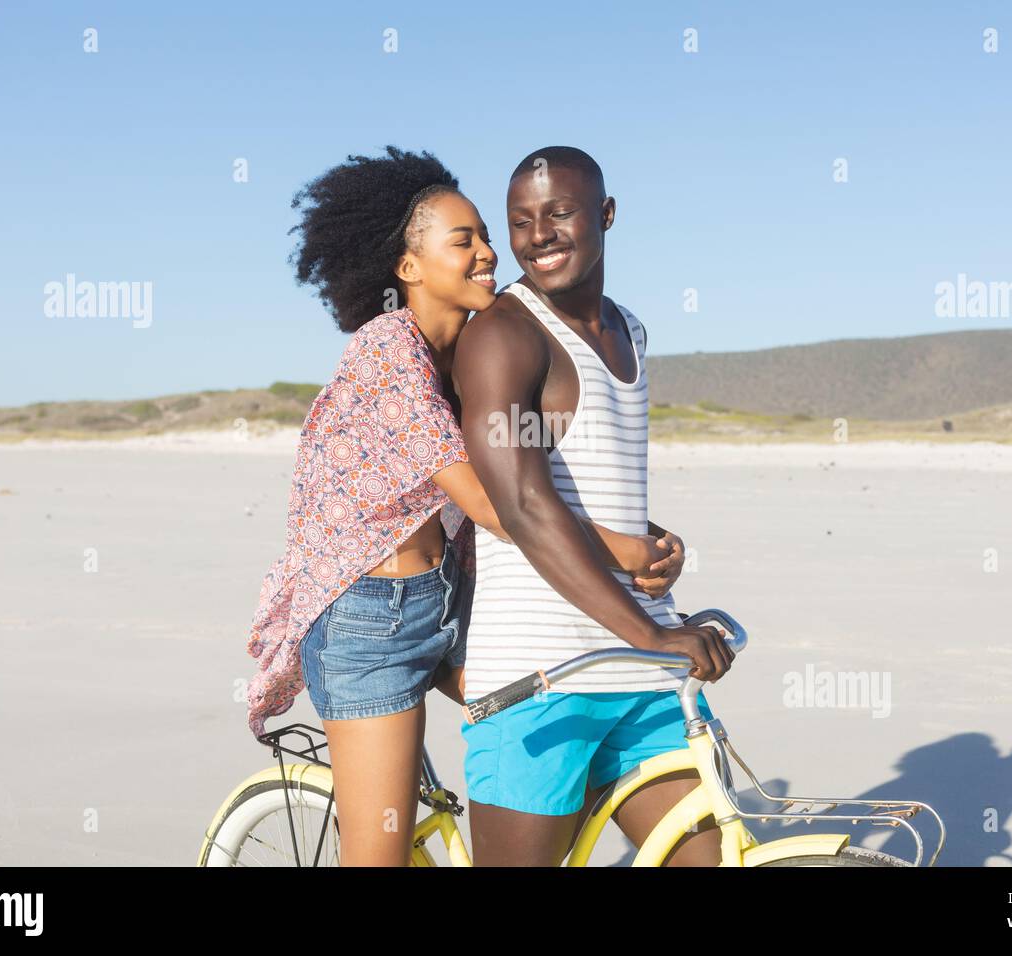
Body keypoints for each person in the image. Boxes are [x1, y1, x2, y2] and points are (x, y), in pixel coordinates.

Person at [244, 146, 680, 866]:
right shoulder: (388, 350)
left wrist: (644, 532)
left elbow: (537, 474)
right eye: (464, 241)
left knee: (542, 725)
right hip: (369, 625)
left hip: (447, 604)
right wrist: (625, 551)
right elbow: (492, 501)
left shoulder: (463, 351)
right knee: (376, 853)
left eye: (484, 236)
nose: (487, 254)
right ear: (408, 268)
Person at [452, 146, 735, 866]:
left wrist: (652, 543)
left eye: (560, 213)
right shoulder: (502, 335)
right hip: (542, 683)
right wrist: (651, 632)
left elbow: (590, 481)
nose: (539, 234)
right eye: (521, 222)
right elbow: (521, 503)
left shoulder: (631, 331)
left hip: (642, 678)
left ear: (606, 215)